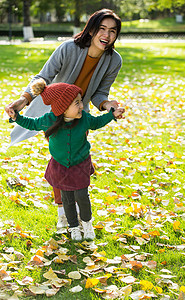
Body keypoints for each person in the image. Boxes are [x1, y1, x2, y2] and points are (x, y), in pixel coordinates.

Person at [5, 8, 123, 229]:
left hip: (81, 114)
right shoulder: (68, 48)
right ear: (91, 30)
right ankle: (63, 212)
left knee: (77, 161)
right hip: (57, 115)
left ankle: (76, 212)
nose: (106, 35)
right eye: (101, 29)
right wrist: (24, 100)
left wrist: (107, 105)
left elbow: (100, 93)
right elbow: (43, 76)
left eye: (112, 31)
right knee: (61, 163)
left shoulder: (113, 60)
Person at [7, 79, 125, 241]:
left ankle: (87, 223)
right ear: (62, 107)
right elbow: (32, 123)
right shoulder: (49, 120)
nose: (82, 106)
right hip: (61, 166)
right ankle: (74, 227)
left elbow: (97, 123)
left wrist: (111, 115)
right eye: (77, 103)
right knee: (67, 199)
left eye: (80, 101)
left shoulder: (84, 118)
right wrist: (16, 117)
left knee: (82, 196)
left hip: (80, 165)